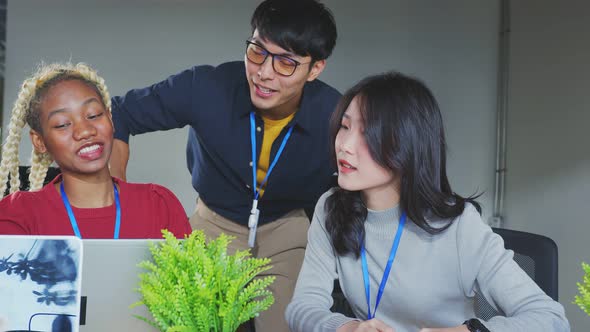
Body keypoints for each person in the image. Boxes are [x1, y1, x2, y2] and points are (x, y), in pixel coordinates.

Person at [108, 1, 339, 330]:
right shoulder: (205, 86)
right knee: (184, 321)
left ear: (315, 69)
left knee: (285, 323)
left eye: (286, 62)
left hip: (287, 229)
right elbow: (118, 112)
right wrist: (118, 197)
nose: (264, 72)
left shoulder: (337, 115)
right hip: (212, 224)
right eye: (257, 51)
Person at [285, 72, 570, 332]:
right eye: (345, 127)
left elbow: (550, 318)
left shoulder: (459, 225)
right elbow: (303, 307)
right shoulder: (332, 207)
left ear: (406, 146)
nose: (344, 145)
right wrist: (348, 328)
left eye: (367, 134)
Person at [0, 63, 191, 239]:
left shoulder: (159, 205)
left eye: (94, 115)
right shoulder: (19, 215)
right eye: (63, 124)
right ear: (39, 141)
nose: (85, 131)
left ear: (110, 118)